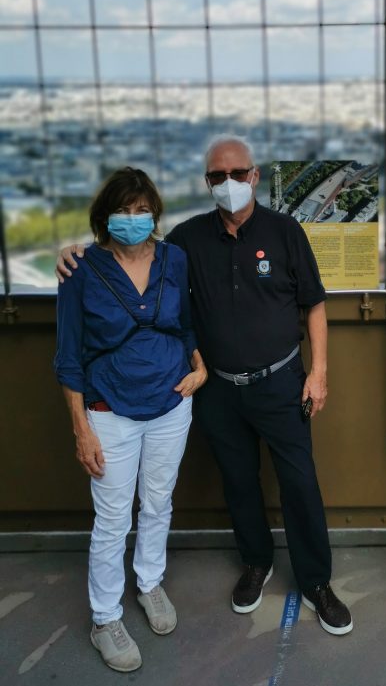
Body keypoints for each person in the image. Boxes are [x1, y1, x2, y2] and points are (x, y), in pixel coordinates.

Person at [58, 136, 352, 636]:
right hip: (218, 390)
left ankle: (316, 582)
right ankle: (256, 562)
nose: (229, 183)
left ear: (255, 176)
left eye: (238, 173)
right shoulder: (186, 242)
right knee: (238, 482)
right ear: (207, 182)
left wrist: (318, 373)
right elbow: (131, 256)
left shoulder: (285, 232)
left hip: (281, 383)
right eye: (218, 176)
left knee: (300, 483)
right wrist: (74, 252)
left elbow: (314, 304)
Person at [55, 168, 208, 673]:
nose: (133, 219)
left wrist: (199, 365)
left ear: (155, 215)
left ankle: (149, 582)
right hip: (109, 412)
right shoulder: (80, 269)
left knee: (159, 501)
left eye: (142, 211)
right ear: (105, 217)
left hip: (172, 404)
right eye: (123, 210)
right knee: (113, 519)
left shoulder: (174, 259)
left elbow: (185, 324)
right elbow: (68, 357)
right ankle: (105, 618)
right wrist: (81, 429)